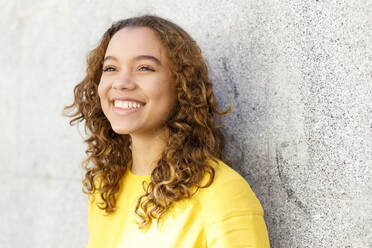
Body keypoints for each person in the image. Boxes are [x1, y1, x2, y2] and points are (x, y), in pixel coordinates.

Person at [64, 15, 270, 248]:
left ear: (182, 85)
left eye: (144, 68)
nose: (121, 82)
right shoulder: (105, 188)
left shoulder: (222, 193)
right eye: (110, 68)